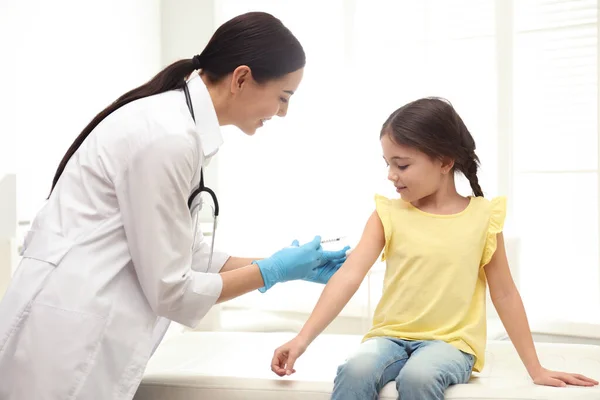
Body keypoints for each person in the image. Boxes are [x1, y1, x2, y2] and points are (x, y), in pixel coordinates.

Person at [0, 12, 349, 400]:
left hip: (77, 327)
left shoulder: (178, 127)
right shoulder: (166, 136)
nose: (283, 112)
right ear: (241, 78)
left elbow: (187, 253)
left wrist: (286, 265)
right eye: (283, 97)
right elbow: (172, 290)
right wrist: (273, 271)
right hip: (65, 336)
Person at [270, 97, 599, 399]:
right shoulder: (387, 214)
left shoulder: (484, 217)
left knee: (420, 377)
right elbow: (348, 277)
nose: (390, 175)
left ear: (444, 162)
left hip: (452, 344)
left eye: (401, 165)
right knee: (355, 369)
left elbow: (505, 294)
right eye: (387, 163)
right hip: (388, 337)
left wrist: (536, 369)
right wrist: (302, 340)